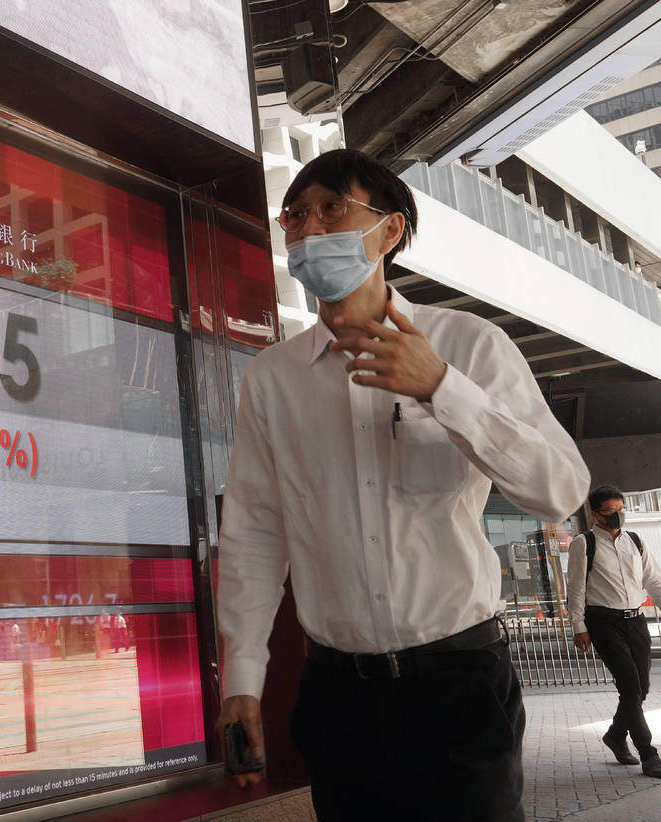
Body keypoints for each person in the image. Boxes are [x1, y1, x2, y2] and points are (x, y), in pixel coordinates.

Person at [216, 148, 590, 821]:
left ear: (389, 231)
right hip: (337, 693)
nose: (309, 229)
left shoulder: (469, 344)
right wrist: (242, 677)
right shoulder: (273, 379)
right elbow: (254, 531)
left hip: (458, 685)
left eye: (333, 208)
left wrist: (443, 388)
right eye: (296, 216)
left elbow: (559, 488)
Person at [566, 485, 661, 778]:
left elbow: (653, 580)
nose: (618, 515)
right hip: (603, 622)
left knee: (641, 688)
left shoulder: (635, 540)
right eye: (610, 511)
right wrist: (578, 626)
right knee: (630, 687)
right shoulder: (585, 543)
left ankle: (615, 735)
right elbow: (577, 589)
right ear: (595, 513)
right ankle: (649, 754)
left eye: (621, 510)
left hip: (636, 620)